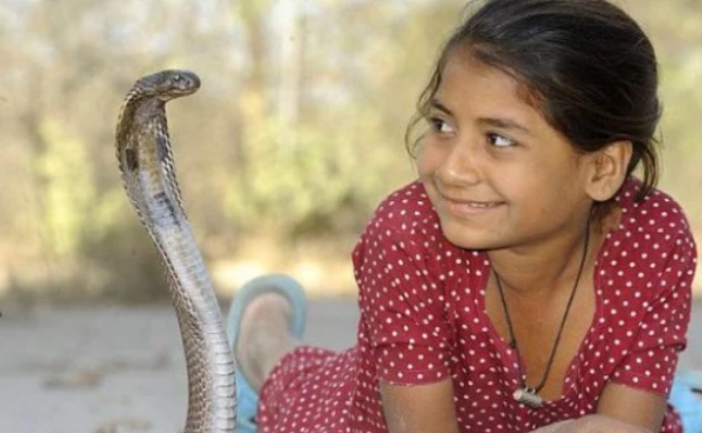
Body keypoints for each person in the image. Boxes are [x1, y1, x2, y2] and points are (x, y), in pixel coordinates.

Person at [224, 0, 701, 431]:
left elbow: (624, 426)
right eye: (443, 125)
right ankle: (262, 334)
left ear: (602, 168)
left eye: (498, 138)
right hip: (376, 416)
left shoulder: (653, 238)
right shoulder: (409, 232)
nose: (450, 169)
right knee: (295, 382)